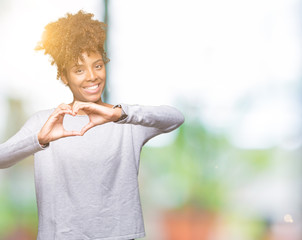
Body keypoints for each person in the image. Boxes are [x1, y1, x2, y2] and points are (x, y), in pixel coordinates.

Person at [0, 10, 184, 240]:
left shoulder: (125, 120)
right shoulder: (44, 122)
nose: (92, 77)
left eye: (97, 66)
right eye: (79, 70)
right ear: (64, 76)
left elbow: (175, 118)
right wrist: (39, 140)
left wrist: (120, 113)